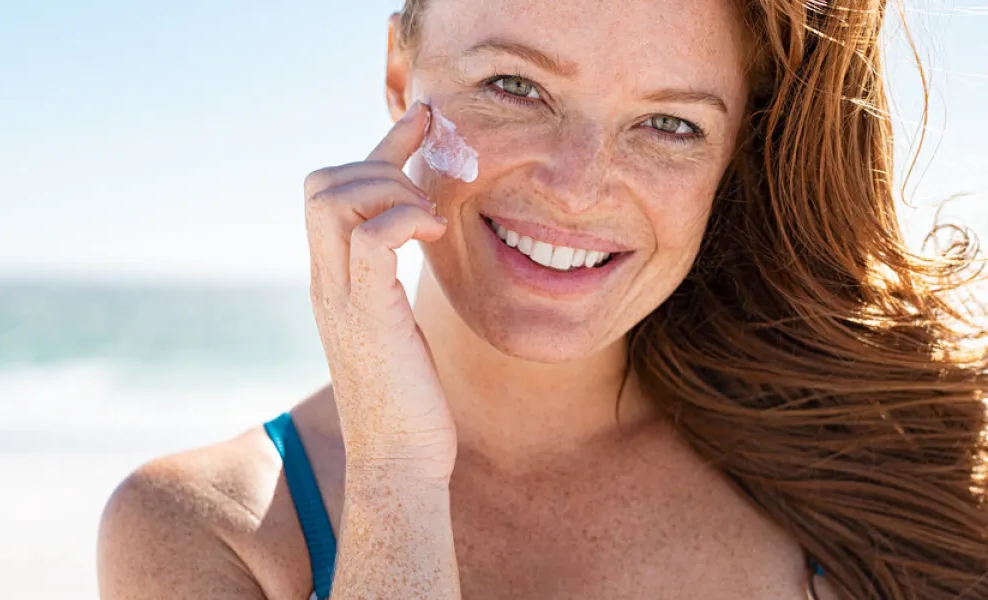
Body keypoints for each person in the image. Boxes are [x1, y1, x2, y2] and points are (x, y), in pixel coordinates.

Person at [96, 0, 988, 597]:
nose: (576, 186)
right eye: (515, 87)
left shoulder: (895, 475)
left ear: (734, 157)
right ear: (403, 78)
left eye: (671, 124)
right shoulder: (211, 532)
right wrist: (397, 478)